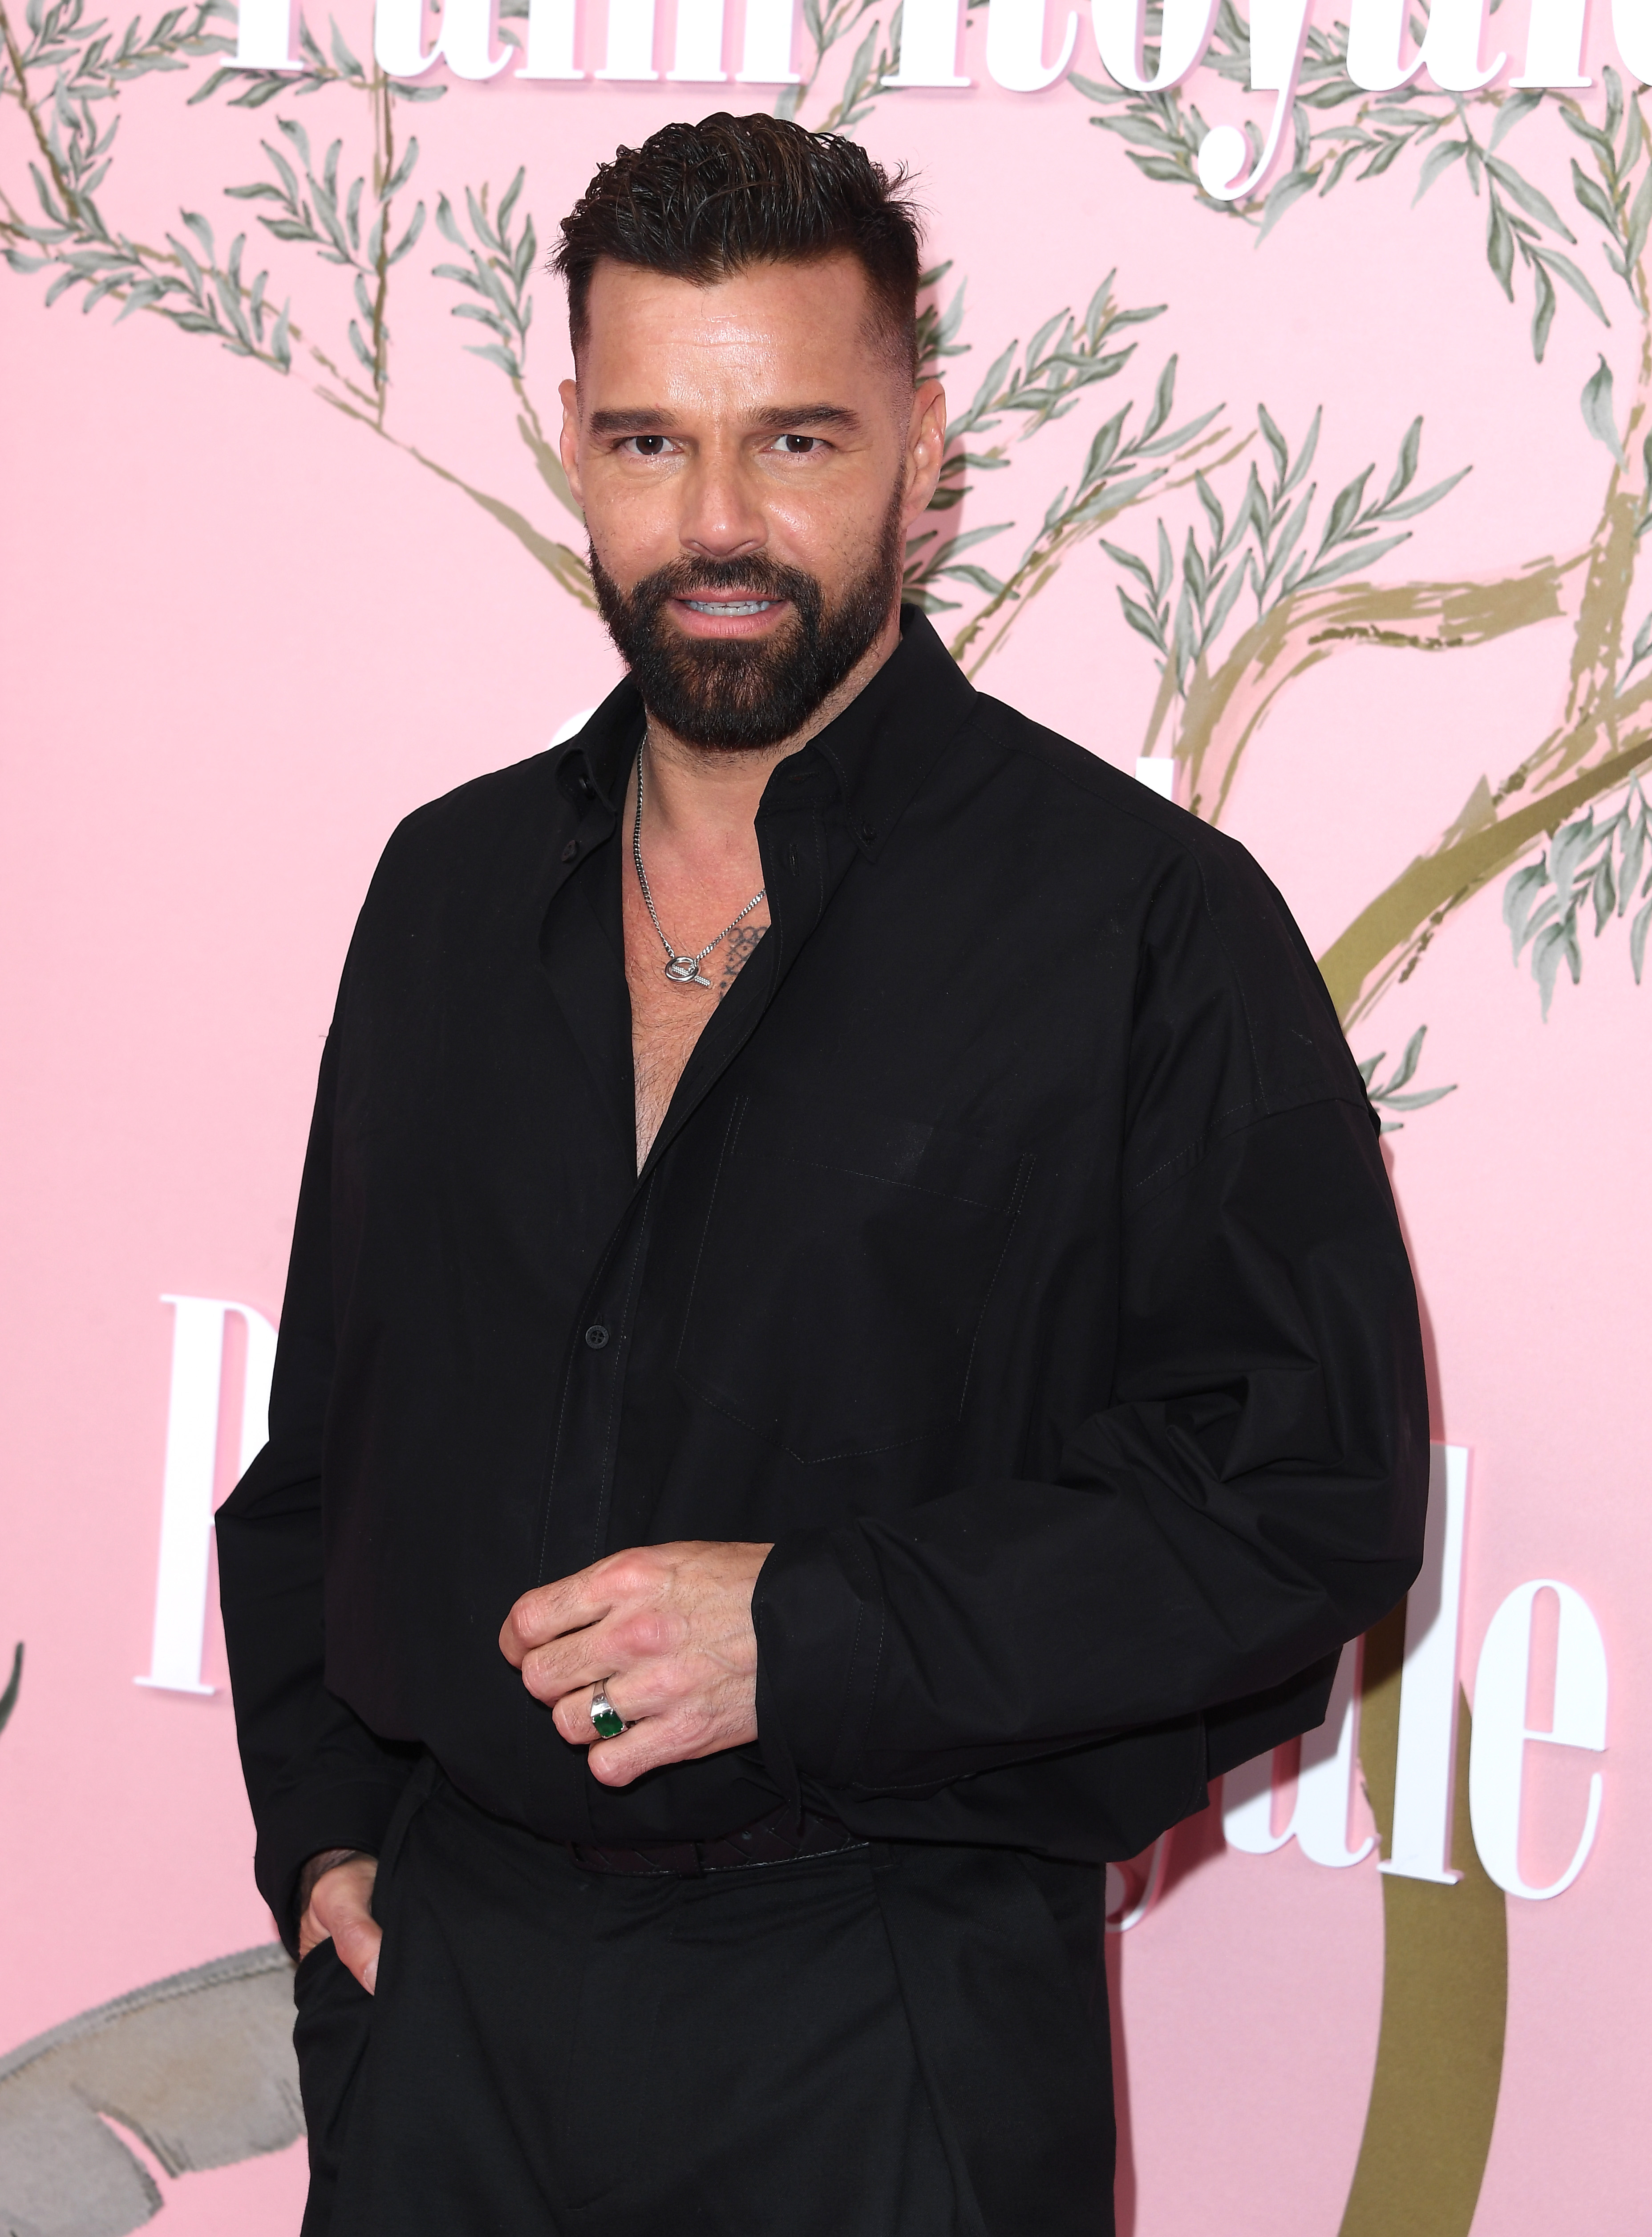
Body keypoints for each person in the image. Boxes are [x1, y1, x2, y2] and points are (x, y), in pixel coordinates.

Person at [217, 111, 1429, 2237]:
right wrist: (325, 1846)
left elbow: (1304, 1497)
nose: (715, 524)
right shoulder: (446, 889)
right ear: (565, 442)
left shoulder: (1137, 921)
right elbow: (321, 1451)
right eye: (645, 442)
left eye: (792, 441)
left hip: (887, 2023)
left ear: (923, 441)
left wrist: (812, 1626)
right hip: (452, 2025)